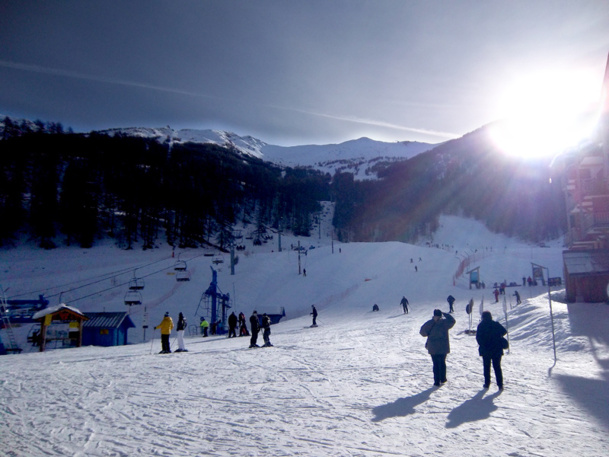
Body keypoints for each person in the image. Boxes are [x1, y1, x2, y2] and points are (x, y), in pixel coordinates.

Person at [420, 309, 456, 386]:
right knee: (442, 362)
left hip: (433, 348)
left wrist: (433, 321)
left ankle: (436, 381)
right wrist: (445, 314)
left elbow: (422, 332)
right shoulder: (445, 323)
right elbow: (453, 321)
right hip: (443, 347)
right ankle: (443, 379)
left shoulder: (430, 323)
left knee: (436, 364)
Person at [476, 311, 507, 390]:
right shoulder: (495, 324)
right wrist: (497, 336)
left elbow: (478, 338)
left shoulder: (481, 325)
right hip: (497, 349)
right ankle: (500, 384)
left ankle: (487, 383)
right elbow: (504, 331)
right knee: (497, 367)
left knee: (486, 367)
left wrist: (483, 344)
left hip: (486, 349)